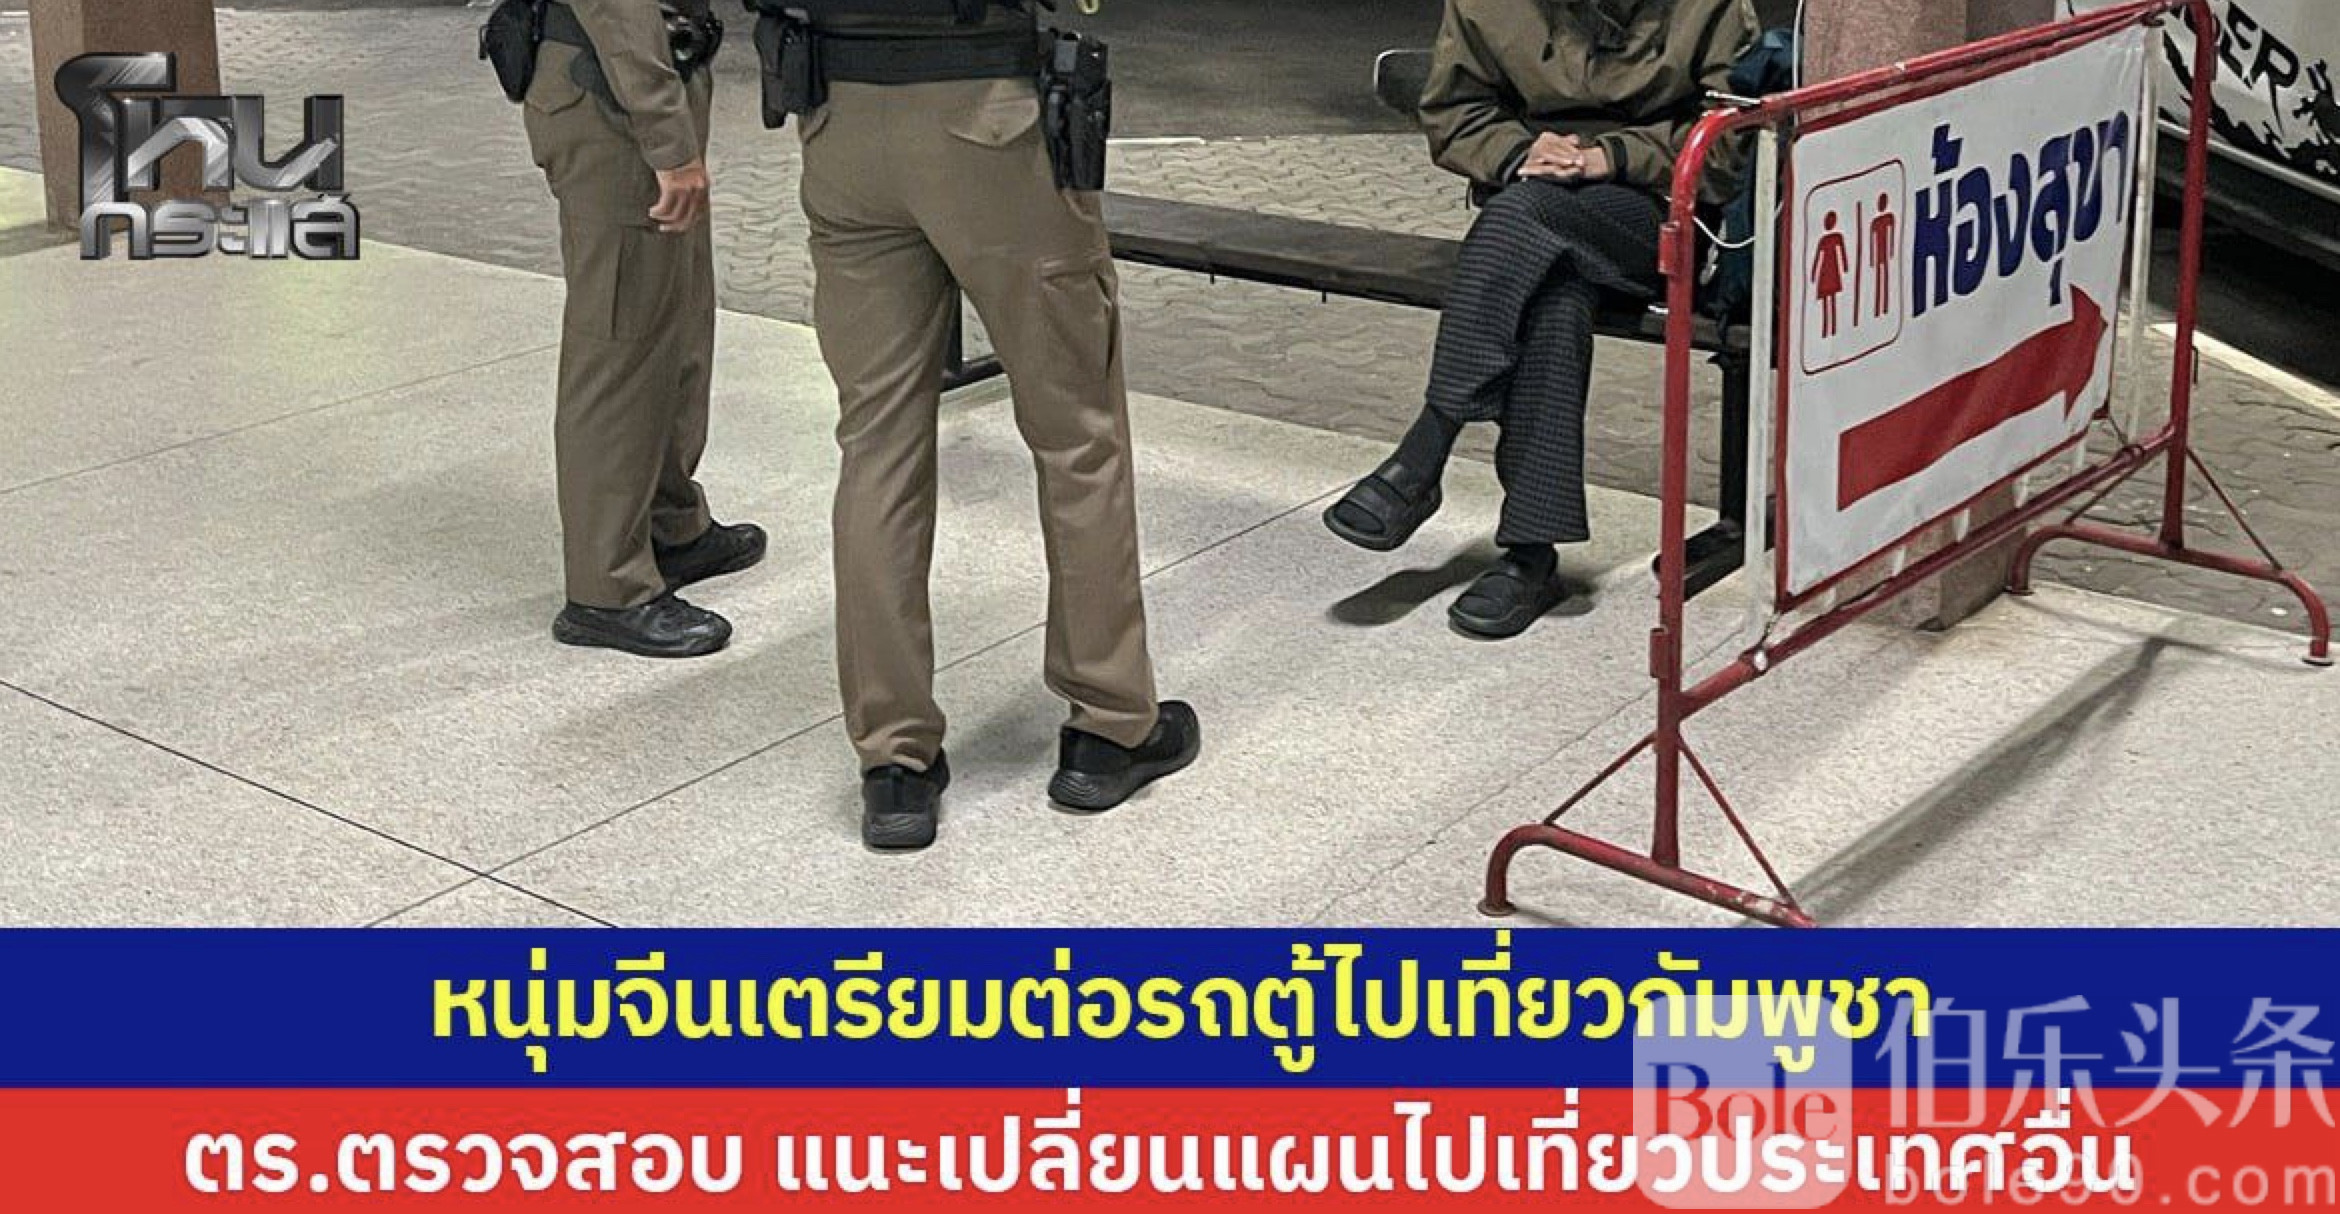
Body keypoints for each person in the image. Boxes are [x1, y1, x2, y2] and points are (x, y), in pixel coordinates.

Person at [764, 0, 1200, 850]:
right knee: (1076, 437)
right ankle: (1110, 725)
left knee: (876, 444)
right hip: (988, 120)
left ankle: (894, 763)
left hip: (840, 118)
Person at [1324, 0, 1758, 640]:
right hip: (1533, 204)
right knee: (1555, 290)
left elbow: (1733, 136)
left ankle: (1429, 444)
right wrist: (1521, 151)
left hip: (1659, 215)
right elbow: (1454, 110)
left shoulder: (1709, 6)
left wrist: (1611, 155)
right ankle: (1529, 553)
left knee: (1524, 220)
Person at [524, 0, 767, 659]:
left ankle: (668, 524)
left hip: (646, 79)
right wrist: (666, 133)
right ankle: (607, 588)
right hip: (612, 95)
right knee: (619, 343)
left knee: (677, 323)